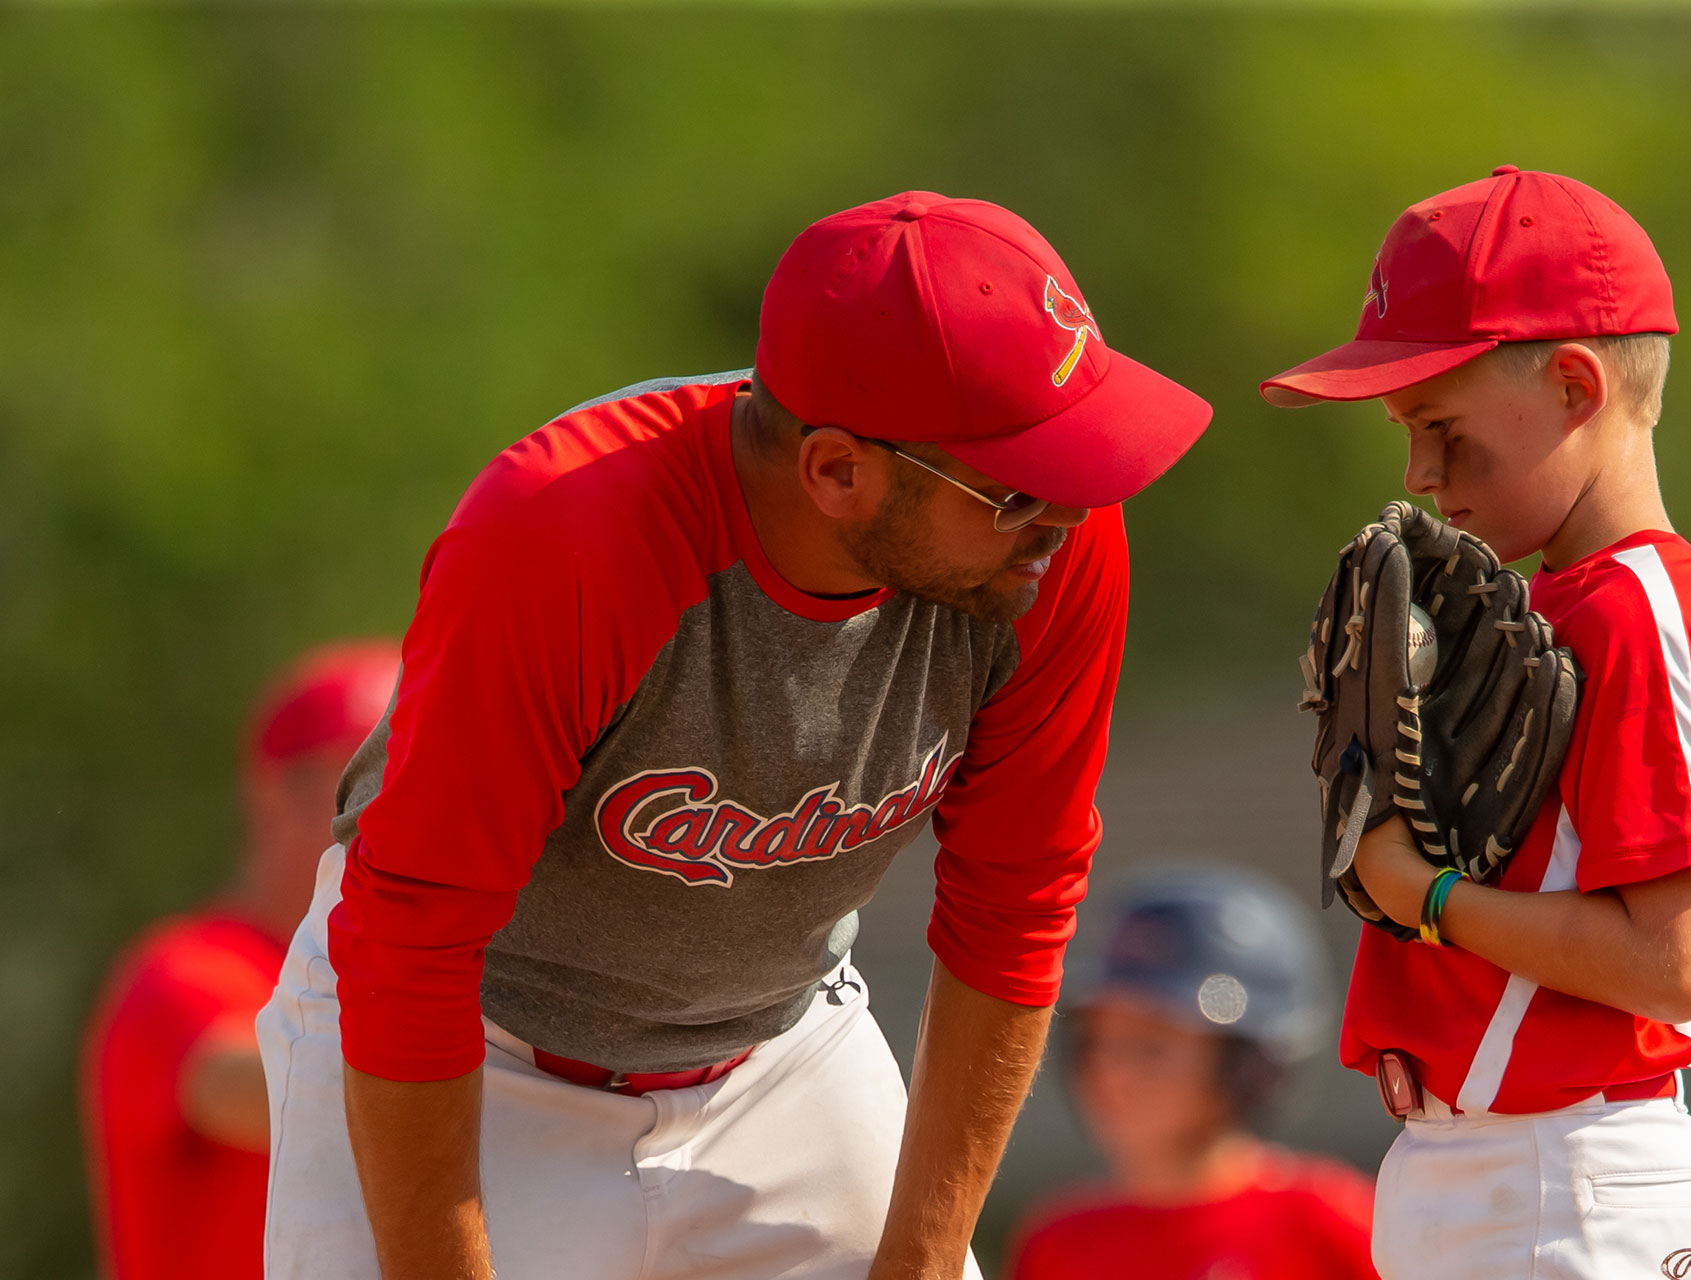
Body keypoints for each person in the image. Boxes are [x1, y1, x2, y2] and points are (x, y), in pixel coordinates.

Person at [255, 191, 1213, 1280]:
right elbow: (412, 943)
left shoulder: (1046, 541)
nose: (1068, 510)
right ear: (840, 470)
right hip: (469, 1051)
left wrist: (924, 1256)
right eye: (1015, 484)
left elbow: (1017, 900)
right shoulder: (569, 535)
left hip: (779, 1058)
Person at [1259, 166, 1691, 1280]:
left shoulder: (1642, 608)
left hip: (1570, 1169)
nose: (1419, 473)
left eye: (1441, 424)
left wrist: (1426, 896)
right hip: (1477, 1168)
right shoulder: (1540, 612)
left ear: (1578, 385)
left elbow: (1675, 962)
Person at [80, 641, 402, 1280]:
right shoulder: (186, 970)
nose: (404, 813)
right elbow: (295, 1098)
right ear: (275, 795)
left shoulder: (387, 981)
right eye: (377, 779)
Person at [1006, 864, 1377, 1280]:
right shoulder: (1059, 1243)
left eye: (1152, 1047)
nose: (1112, 1072)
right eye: (1098, 1042)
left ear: (1248, 1066)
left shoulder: (1330, 1223)